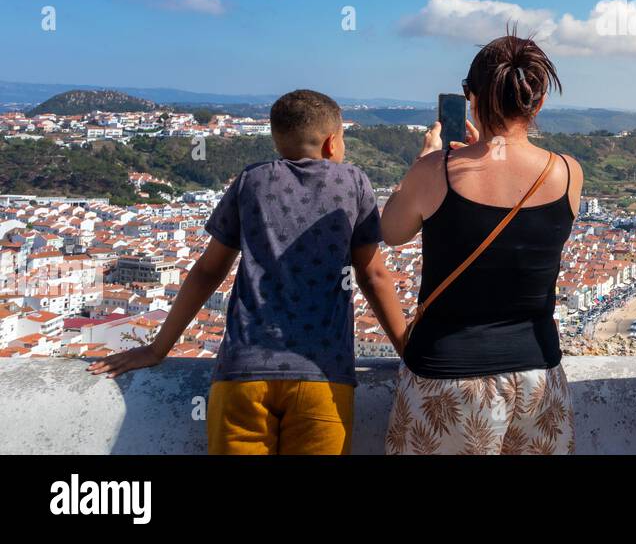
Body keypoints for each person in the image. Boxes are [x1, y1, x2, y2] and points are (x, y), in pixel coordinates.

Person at [89, 89, 406, 455]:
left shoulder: (251, 182)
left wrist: (159, 348)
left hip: (242, 375)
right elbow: (373, 275)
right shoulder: (353, 183)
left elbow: (208, 271)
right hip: (322, 375)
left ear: (276, 140)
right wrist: (408, 352)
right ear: (333, 143)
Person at [381, 33, 583, 455]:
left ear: (471, 99)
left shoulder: (436, 171)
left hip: (447, 377)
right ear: (539, 102)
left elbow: (392, 232)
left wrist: (426, 161)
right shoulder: (568, 174)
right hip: (538, 376)